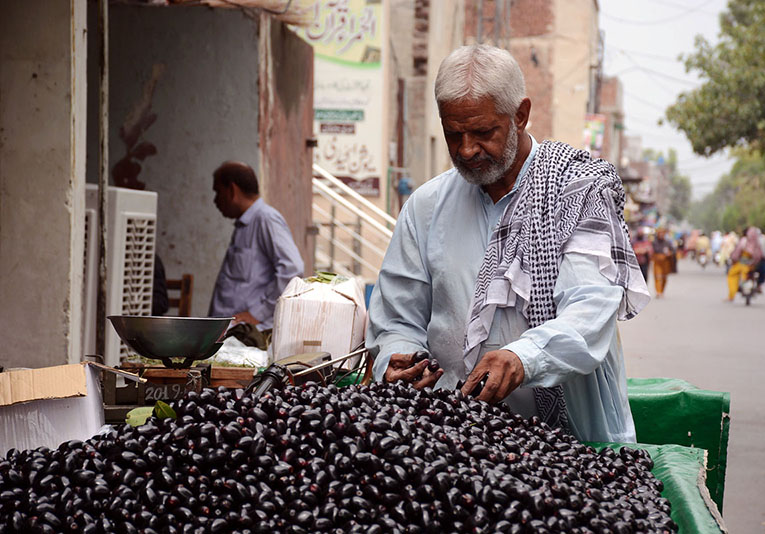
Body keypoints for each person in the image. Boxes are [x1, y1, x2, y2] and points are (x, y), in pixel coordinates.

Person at [366, 44, 650, 444]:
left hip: (572, 442)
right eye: (454, 135)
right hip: (454, 442)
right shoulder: (426, 207)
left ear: (521, 115)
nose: (466, 150)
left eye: (483, 133)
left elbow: (591, 311)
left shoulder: (577, 191)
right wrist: (397, 357)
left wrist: (523, 357)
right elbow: (396, 318)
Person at [209, 161, 304, 349]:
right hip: (230, 335)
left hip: (246, 337)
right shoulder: (245, 223)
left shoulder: (265, 219)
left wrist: (257, 313)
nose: (216, 200)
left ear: (232, 190)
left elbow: (292, 268)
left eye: (218, 192)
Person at [726, 227, 762, 302]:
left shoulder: (744, 240)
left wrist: (733, 259)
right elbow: (759, 255)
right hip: (752, 266)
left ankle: (731, 295)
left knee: (732, 275)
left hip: (742, 265)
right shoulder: (757, 243)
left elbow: (736, 253)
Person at [651, 227, 675, 298]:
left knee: (664, 277)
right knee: (658, 277)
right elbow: (653, 251)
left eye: (662, 233)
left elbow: (673, 251)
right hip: (657, 262)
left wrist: (669, 253)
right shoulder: (654, 242)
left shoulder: (667, 242)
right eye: (660, 233)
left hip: (666, 262)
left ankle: (662, 291)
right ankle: (658, 292)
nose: (661, 234)